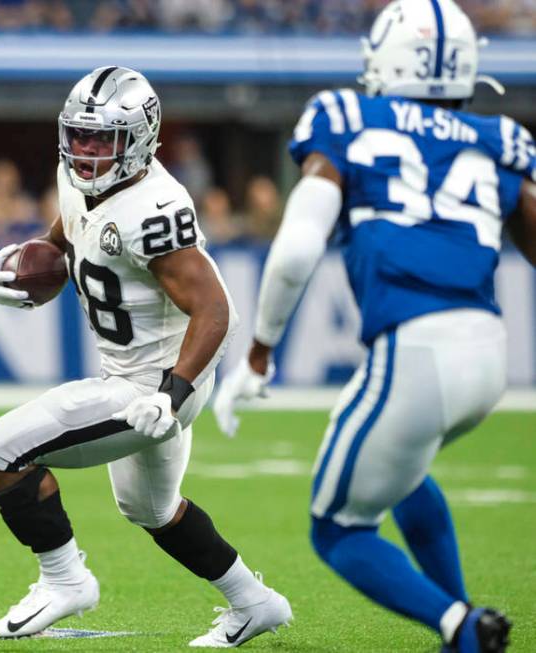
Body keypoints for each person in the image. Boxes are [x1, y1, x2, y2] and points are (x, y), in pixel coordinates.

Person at [212, 1, 535, 651]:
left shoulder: (349, 117)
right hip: (488, 351)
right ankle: (460, 622)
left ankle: (461, 627)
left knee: (337, 528)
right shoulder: (498, 138)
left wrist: (258, 352)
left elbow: (300, 246)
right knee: (405, 471)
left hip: (416, 346)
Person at [0, 66, 292, 647]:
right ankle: (254, 602)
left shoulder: (156, 207)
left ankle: (64, 580)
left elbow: (217, 312)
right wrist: (19, 267)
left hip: (156, 385)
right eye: (80, 135)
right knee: (151, 508)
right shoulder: (79, 180)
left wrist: (171, 395)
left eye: (103, 139)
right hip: (141, 378)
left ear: (141, 137)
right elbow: (67, 238)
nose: (87, 151)